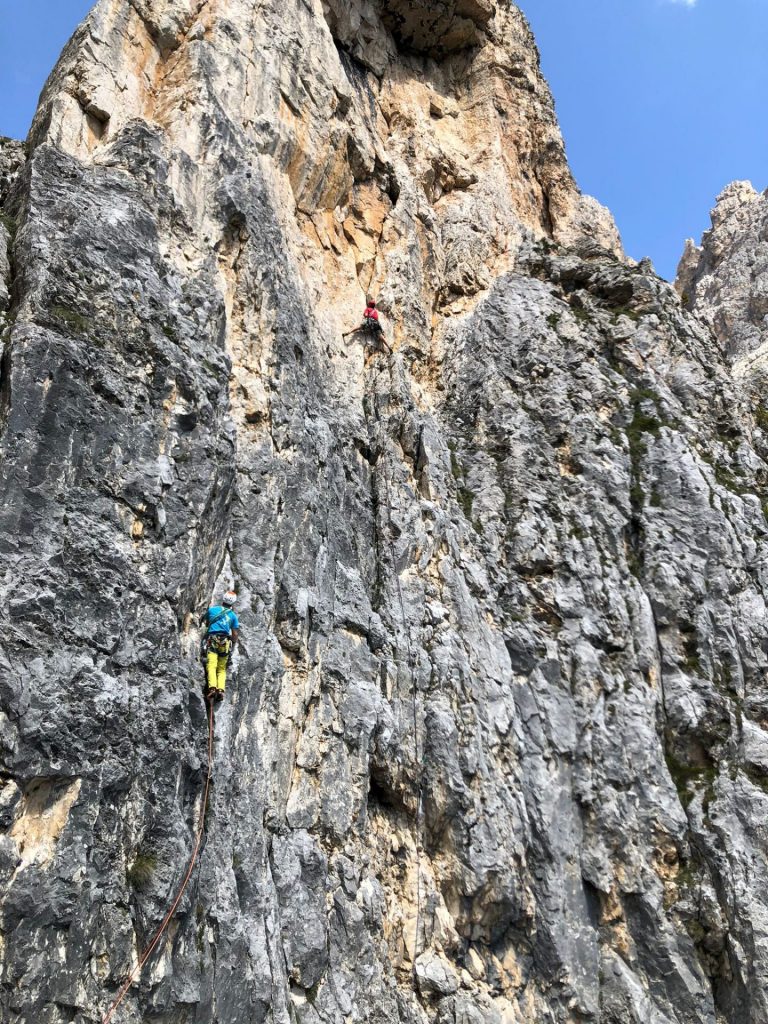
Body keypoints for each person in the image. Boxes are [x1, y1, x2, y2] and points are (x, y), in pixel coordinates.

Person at [201, 590, 239, 702]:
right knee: (221, 669)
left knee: (212, 665)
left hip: (212, 640)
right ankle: (221, 690)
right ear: (233, 602)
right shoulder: (233, 616)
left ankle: (212, 688)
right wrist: (233, 643)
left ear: (223, 599)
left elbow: (206, 621)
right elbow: (235, 633)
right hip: (225, 643)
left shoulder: (213, 610)